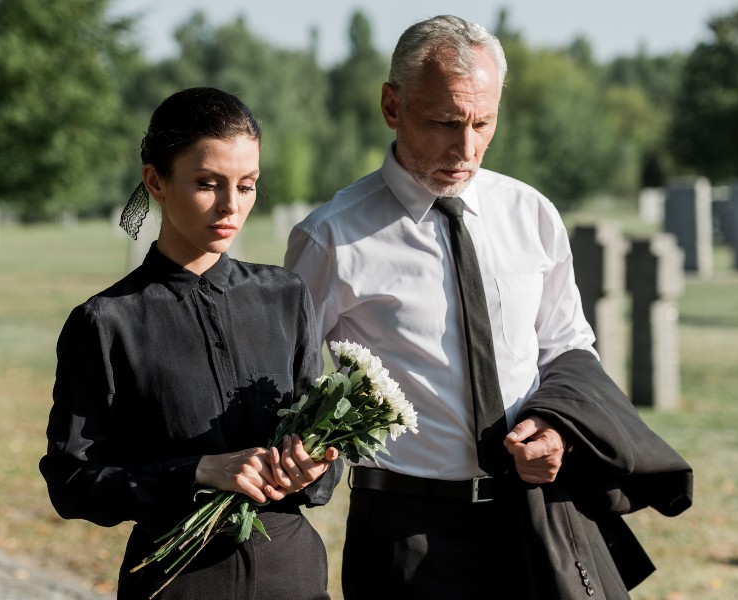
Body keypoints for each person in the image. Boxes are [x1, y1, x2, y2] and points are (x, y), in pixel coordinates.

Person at [284, 15, 692, 599]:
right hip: (407, 532)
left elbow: (567, 347)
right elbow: (286, 383)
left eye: (483, 122)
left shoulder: (531, 214)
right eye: (445, 122)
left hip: (536, 514)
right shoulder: (331, 238)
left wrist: (557, 429)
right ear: (392, 107)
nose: (466, 147)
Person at [40, 87, 342, 600]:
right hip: (177, 582)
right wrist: (197, 472)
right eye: (208, 184)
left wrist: (312, 467)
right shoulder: (106, 322)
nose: (231, 206)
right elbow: (71, 482)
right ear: (155, 180)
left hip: (294, 573)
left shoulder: (286, 296)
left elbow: (324, 453)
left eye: (247, 186)